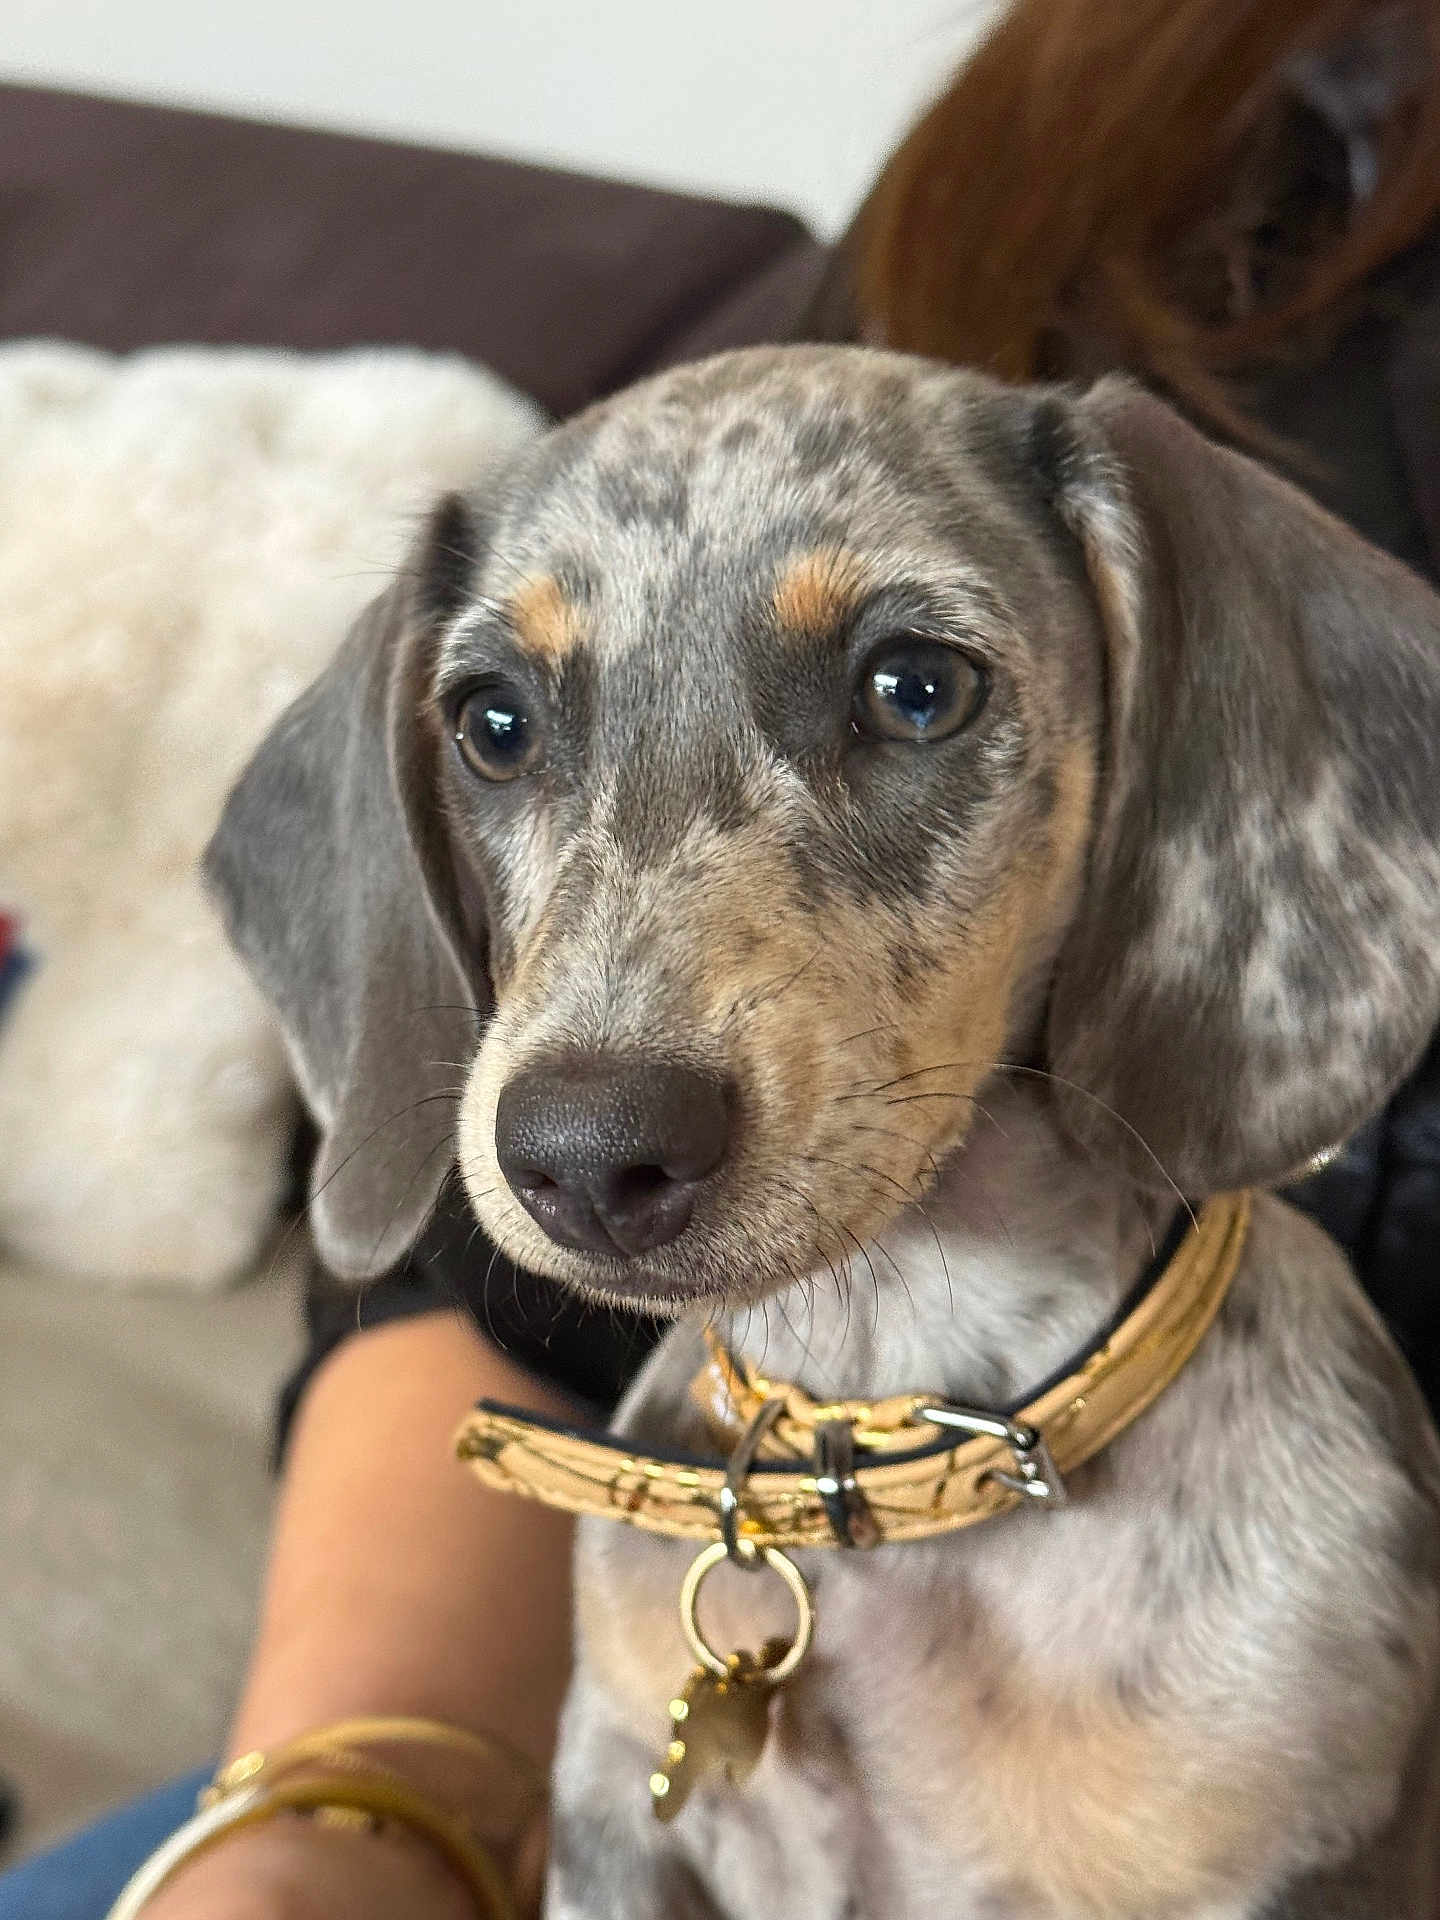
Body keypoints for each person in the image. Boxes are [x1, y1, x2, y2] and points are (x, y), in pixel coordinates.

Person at [5, 0, 1439, 1911]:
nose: (596, 1073)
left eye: (912, 692)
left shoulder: (1294, 1618)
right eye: (503, 727)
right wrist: (336, 1818)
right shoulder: (1097, 137)